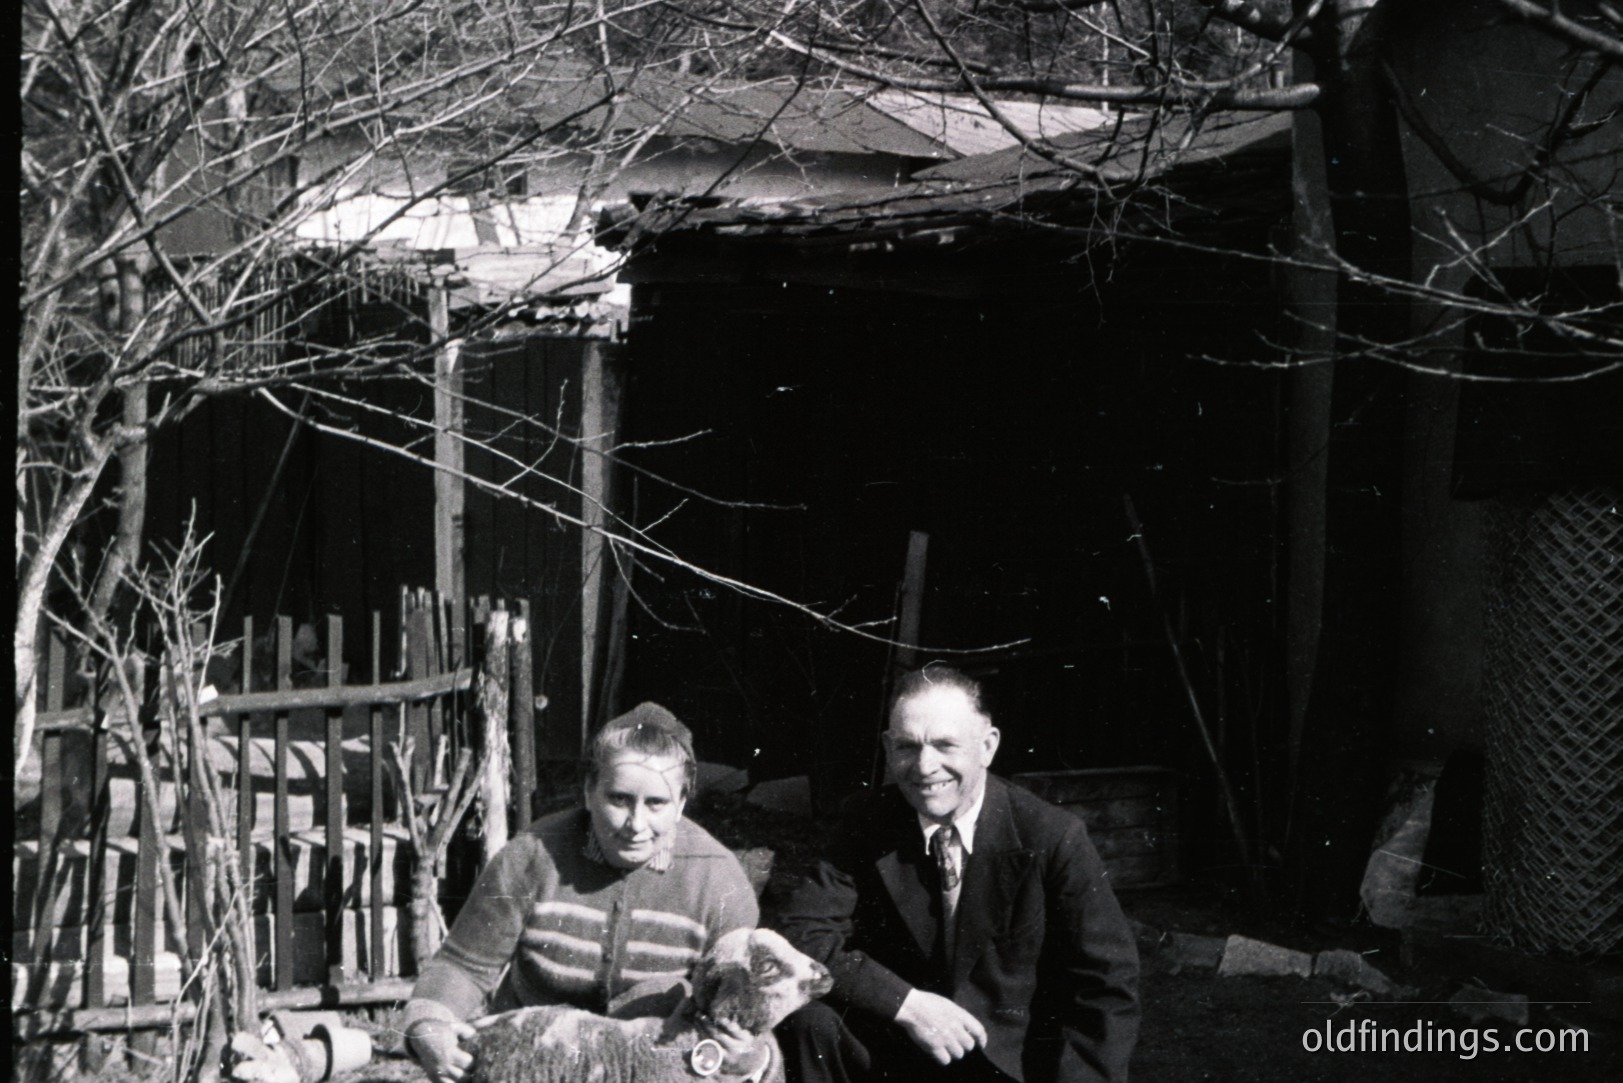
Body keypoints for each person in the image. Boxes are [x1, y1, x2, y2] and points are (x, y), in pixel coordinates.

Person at [768, 665, 1140, 1083]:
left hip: (1007, 1062)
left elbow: (1106, 984)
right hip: (899, 1048)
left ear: (987, 746)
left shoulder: (1052, 837)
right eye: (908, 747)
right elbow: (801, 932)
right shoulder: (867, 821)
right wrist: (906, 1004)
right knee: (809, 1022)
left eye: (945, 745)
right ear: (888, 749)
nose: (925, 767)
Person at [404, 702, 761, 1083]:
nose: (635, 824)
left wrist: (745, 1053)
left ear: (681, 804)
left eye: (656, 803)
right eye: (619, 799)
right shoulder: (533, 855)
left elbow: (746, 1012)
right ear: (589, 791)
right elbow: (462, 965)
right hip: (533, 1061)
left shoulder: (718, 879)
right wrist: (429, 1025)